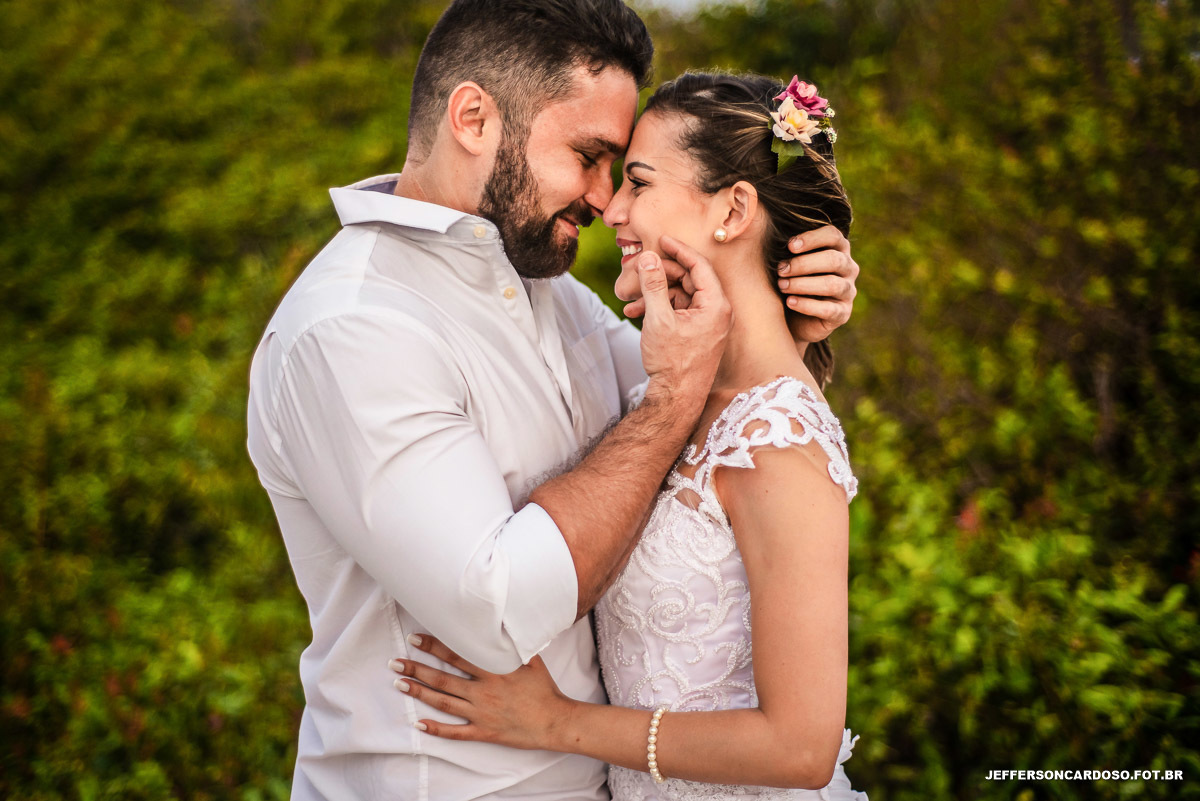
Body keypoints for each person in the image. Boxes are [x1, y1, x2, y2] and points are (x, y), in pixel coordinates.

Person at [245, 0, 861, 798]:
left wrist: (793, 297)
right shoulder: (352, 327)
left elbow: (719, 405)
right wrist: (675, 392)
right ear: (473, 117)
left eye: (626, 171)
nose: (606, 203)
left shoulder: (544, 290)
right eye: (590, 156)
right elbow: (497, 608)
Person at [384, 72, 870, 801]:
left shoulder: (778, 440)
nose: (611, 207)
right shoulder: (661, 391)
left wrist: (557, 724)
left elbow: (801, 747)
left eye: (639, 182)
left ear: (735, 209)